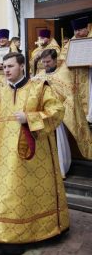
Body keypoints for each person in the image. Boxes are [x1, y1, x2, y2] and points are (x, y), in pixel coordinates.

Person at [0, 52, 69, 254]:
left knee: (25, 197)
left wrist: (30, 118)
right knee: (3, 194)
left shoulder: (39, 88)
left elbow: (57, 111)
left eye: (10, 66)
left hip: (33, 157)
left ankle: (21, 237)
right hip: (5, 157)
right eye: (4, 67)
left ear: (22, 66)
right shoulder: (1, 91)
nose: (6, 70)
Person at [34, 49, 92, 177]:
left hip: (58, 114)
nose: (46, 64)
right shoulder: (41, 73)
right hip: (43, 113)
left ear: (55, 60)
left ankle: (60, 169)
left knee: (58, 142)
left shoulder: (64, 72)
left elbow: (69, 94)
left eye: (48, 61)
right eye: (43, 62)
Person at [59, 16, 92, 123]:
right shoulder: (71, 42)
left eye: (80, 30)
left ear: (87, 28)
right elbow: (62, 58)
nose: (77, 33)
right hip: (75, 76)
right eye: (75, 30)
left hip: (90, 76)